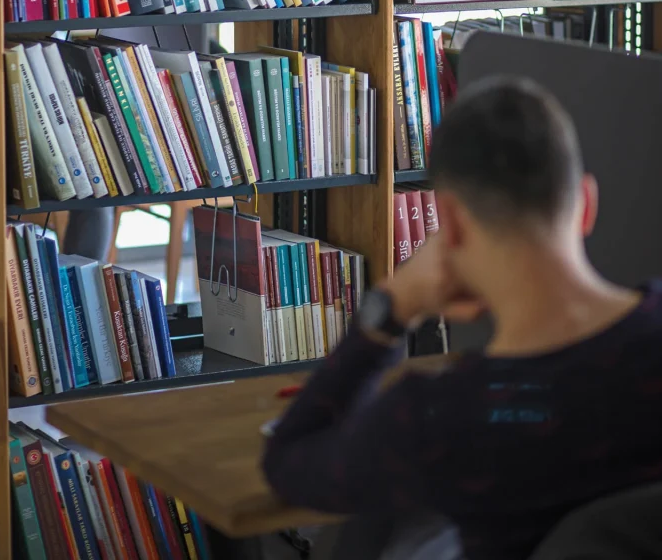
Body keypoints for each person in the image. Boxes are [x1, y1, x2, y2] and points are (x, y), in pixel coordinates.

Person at [262, 77, 662, 560]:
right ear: (586, 204)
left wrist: (395, 305)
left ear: (447, 224)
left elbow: (287, 461)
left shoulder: (438, 420)